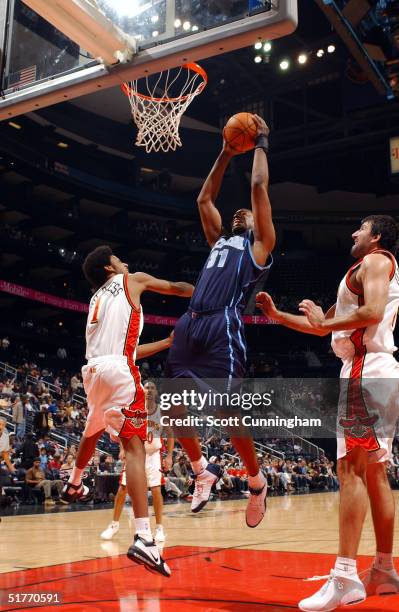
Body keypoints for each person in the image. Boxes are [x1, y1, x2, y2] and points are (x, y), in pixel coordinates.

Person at [256, 215, 399, 610]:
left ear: (378, 236)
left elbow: (369, 313)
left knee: (350, 470)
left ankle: (344, 577)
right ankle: (384, 569)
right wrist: (279, 316)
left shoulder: (376, 261)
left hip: (365, 370)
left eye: (361, 228)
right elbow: (323, 328)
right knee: (373, 472)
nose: (354, 232)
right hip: (377, 371)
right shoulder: (361, 271)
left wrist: (326, 319)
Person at [165, 115, 275, 527]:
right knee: (172, 406)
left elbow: (259, 187)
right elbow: (203, 201)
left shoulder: (259, 247)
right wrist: (225, 153)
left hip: (222, 326)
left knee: (229, 411)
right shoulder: (219, 240)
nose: (240, 212)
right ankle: (200, 470)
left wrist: (261, 141)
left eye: (246, 214)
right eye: (238, 213)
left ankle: (256, 480)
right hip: (190, 322)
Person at [61, 245, 193, 577]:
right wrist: (209, 292)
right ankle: (144, 537)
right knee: (134, 449)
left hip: (92, 371)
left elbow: (128, 348)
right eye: (119, 260)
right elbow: (178, 288)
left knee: (92, 426)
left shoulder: (96, 301)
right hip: (119, 371)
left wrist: (165, 343)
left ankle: (74, 483)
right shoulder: (131, 280)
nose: (126, 262)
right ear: (109, 268)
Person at [101, 380, 175, 542]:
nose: (148, 390)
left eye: (152, 388)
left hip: (154, 455)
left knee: (156, 490)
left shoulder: (162, 412)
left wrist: (169, 456)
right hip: (135, 454)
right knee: (122, 489)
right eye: (146, 387)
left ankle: (159, 528)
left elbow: (170, 435)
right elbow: (122, 429)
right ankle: (114, 524)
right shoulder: (135, 409)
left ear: (156, 392)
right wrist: (122, 448)